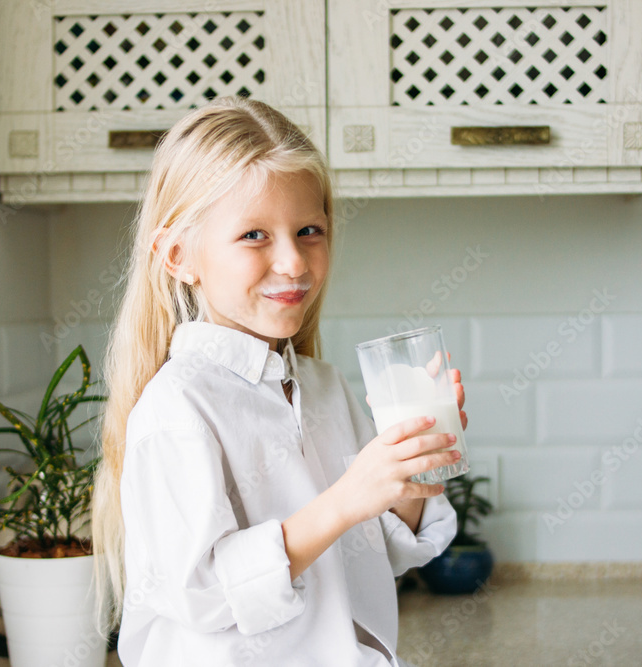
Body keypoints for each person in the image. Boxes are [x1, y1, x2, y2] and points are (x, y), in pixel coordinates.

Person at [92, 96, 465, 666]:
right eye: (254, 236)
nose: (293, 261)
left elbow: (375, 553)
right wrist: (346, 498)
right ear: (177, 255)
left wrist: (409, 472)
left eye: (309, 229)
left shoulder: (324, 387)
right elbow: (204, 593)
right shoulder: (177, 407)